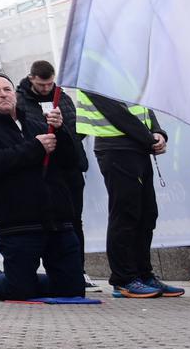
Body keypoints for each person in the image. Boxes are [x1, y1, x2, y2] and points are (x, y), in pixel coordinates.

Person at [0, 73, 85, 301]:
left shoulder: (39, 124)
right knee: (19, 292)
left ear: (15, 93)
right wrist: (36, 147)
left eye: (7, 89)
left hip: (57, 219)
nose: (3, 94)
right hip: (19, 223)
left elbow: (72, 161)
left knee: (73, 290)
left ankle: (31, 280)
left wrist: (60, 130)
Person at [74, 88, 182, 298]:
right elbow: (115, 112)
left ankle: (143, 274)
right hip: (115, 148)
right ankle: (123, 279)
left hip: (137, 147)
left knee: (147, 213)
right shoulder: (94, 68)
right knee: (126, 213)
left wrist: (158, 132)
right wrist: (149, 138)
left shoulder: (125, 70)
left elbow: (143, 102)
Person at [17, 60, 90, 281]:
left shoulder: (62, 98)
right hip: (41, 169)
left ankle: (78, 270)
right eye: (41, 85)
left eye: (49, 84)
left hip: (68, 167)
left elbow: (78, 129)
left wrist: (62, 131)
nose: (46, 89)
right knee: (41, 221)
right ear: (31, 79)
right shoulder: (20, 101)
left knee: (74, 220)